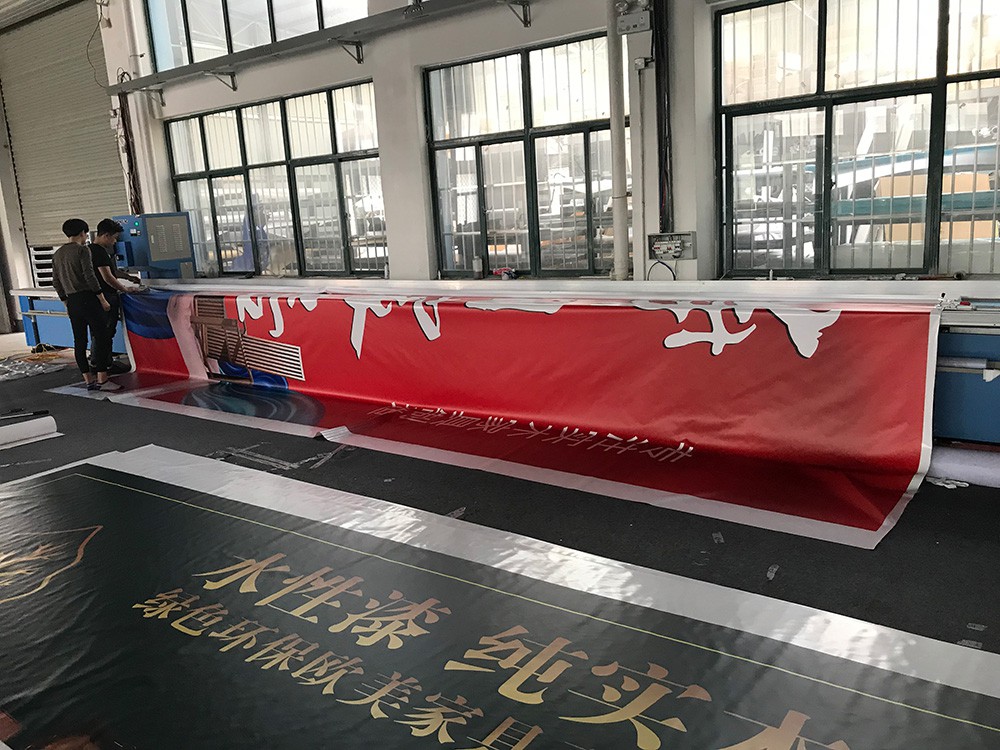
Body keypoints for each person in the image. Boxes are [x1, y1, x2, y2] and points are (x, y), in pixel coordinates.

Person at [51, 219, 119, 392]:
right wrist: (102, 298)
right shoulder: (82, 250)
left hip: (72, 301)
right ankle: (103, 379)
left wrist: (65, 301)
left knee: (79, 342)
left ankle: (88, 380)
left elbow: (56, 282)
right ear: (83, 233)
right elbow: (90, 276)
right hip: (89, 299)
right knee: (101, 337)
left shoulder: (57, 254)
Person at [88, 218, 140, 373]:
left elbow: (112, 271)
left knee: (97, 332)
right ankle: (104, 365)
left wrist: (129, 277)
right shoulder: (100, 252)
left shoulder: (88, 250)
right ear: (106, 235)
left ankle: (97, 363)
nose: (115, 242)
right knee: (105, 332)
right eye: (114, 238)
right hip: (106, 296)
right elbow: (108, 277)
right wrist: (125, 289)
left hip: (93, 297)